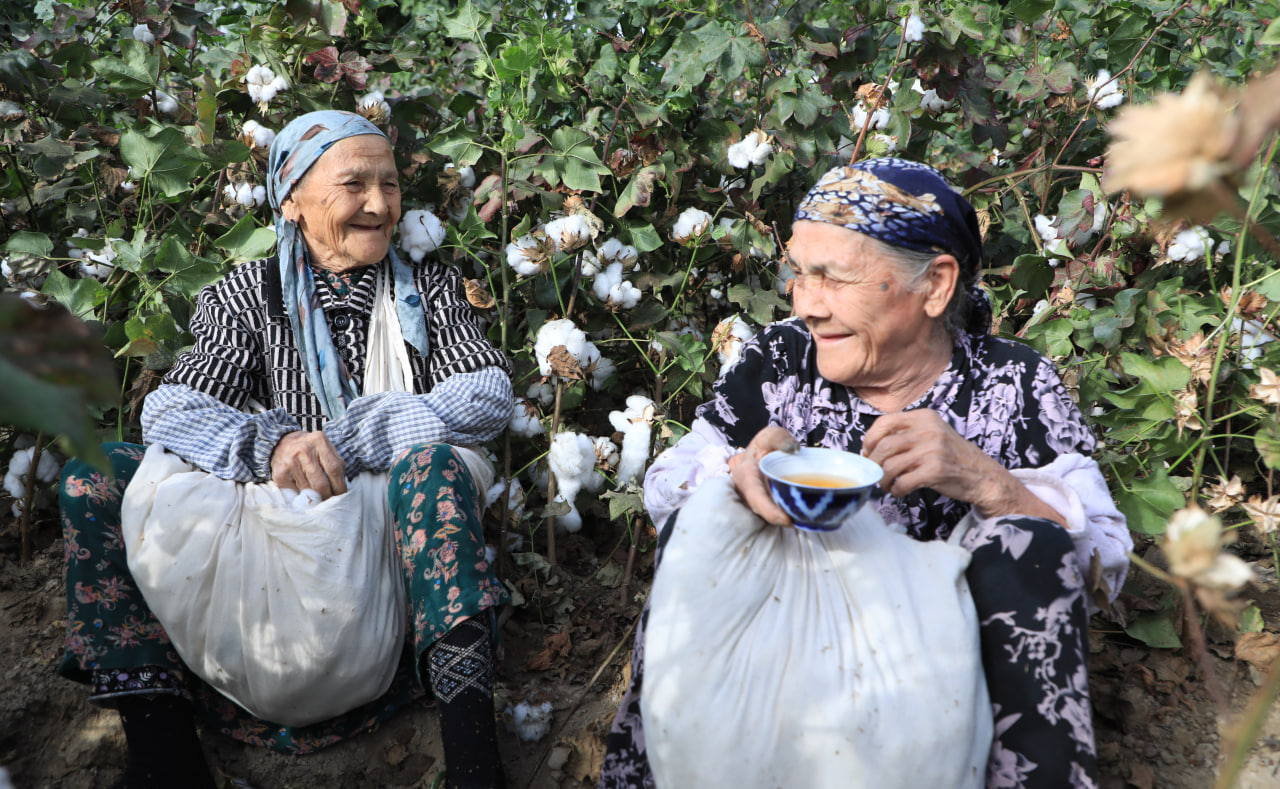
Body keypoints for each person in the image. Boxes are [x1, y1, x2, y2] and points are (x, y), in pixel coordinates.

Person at [599, 158, 1133, 789]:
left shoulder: (1014, 384)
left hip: (938, 686)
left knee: (1033, 544)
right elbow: (669, 486)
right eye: (800, 274)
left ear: (935, 285)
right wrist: (739, 472)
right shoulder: (779, 361)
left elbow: (1104, 562)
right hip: (787, 654)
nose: (809, 305)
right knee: (702, 510)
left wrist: (990, 483)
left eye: (834, 278)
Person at [58, 111, 513, 789]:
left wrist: (365, 436)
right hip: (265, 541)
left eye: (389, 185)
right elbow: (171, 407)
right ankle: (163, 752)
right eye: (354, 183)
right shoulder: (246, 296)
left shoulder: (430, 290)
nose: (380, 204)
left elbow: (487, 394)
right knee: (95, 478)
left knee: (435, 467)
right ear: (292, 199)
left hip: (386, 554)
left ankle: (474, 761)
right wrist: (269, 444)